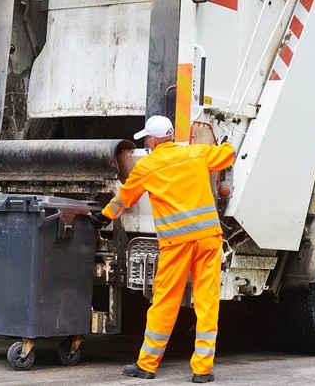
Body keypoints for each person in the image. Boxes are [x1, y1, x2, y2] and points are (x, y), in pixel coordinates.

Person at [90, 115, 235, 383]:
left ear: (154, 140)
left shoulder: (147, 166)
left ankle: (147, 365)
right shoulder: (196, 153)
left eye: (147, 138)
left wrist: (103, 216)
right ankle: (202, 370)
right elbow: (227, 155)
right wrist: (226, 140)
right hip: (208, 239)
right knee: (207, 302)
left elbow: (125, 198)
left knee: (165, 302)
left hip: (176, 244)